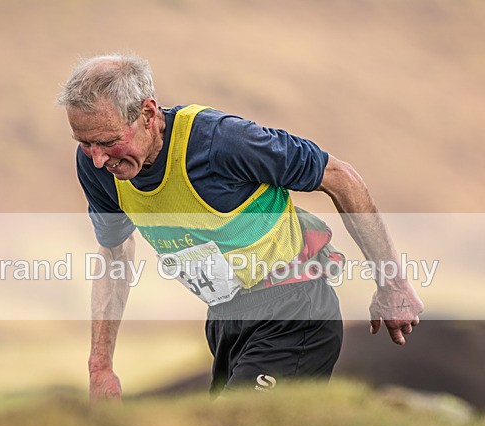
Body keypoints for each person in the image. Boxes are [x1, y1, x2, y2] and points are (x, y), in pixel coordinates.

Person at [58, 53, 423, 401]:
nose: (98, 157)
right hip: (225, 318)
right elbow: (114, 253)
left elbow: (341, 178)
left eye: (107, 141)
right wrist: (100, 365)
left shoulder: (223, 142)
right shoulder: (97, 168)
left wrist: (391, 283)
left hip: (294, 311)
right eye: (85, 143)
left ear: (148, 113)